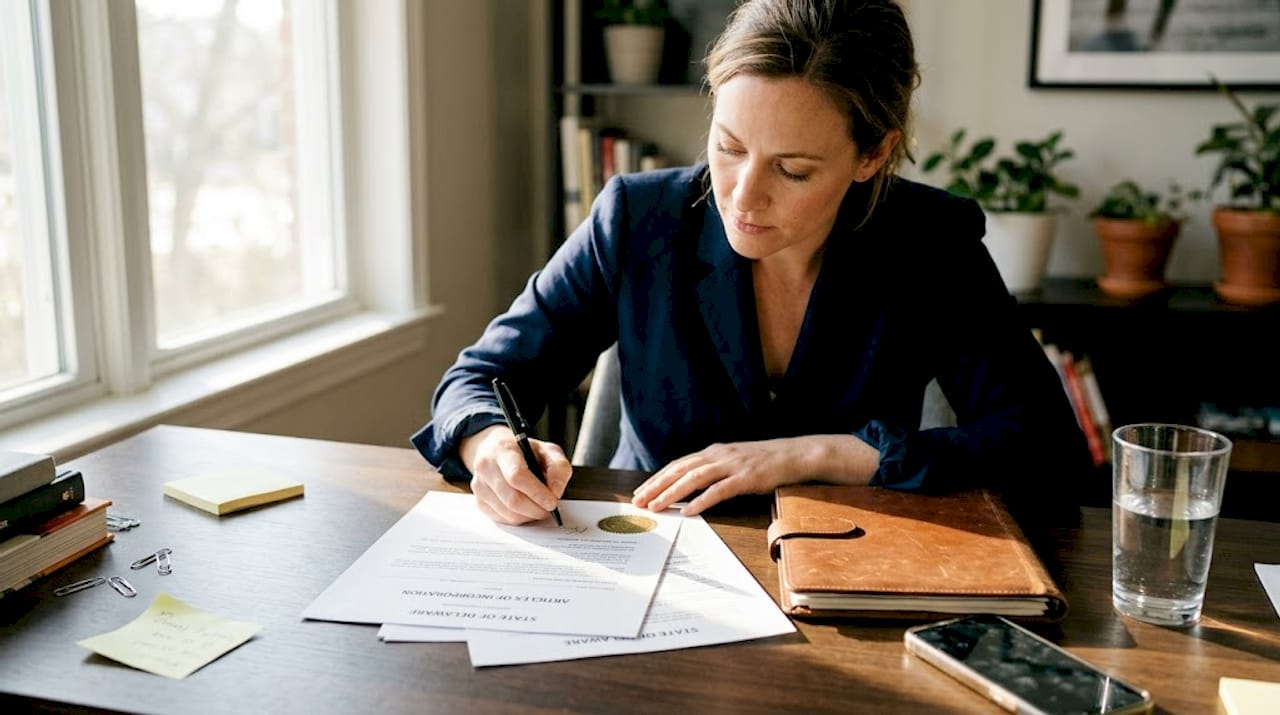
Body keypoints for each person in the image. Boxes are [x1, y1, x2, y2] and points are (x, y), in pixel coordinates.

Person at [412, 0, 1091, 525]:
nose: (740, 196)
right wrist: (490, 446)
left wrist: (823, 453)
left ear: (873, 155)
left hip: (847, 575)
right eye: (728, 146)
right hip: (650, 553)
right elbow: (478, 378)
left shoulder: (928, 241)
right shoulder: (637, 219)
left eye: (792, 170)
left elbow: (1044, 448)